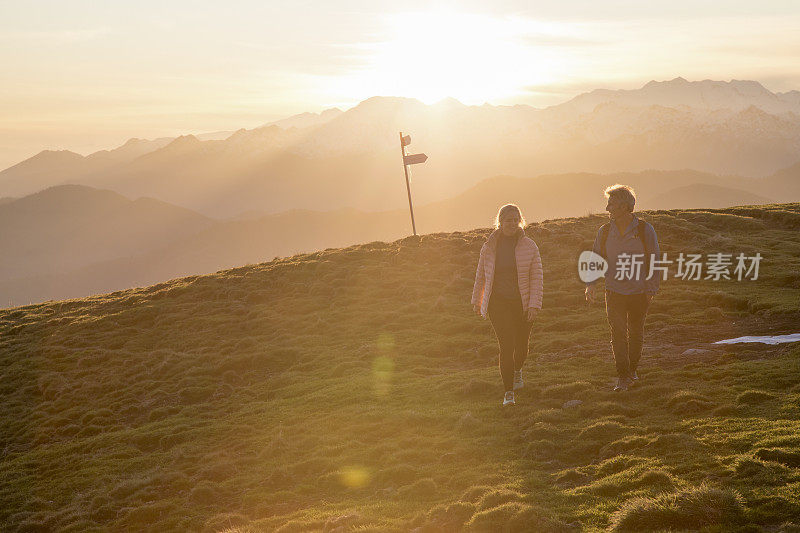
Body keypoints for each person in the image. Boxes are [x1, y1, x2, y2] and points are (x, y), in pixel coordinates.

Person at [585, 184, 660, 392]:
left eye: (612, 204)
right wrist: (591, 285)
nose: (608, 208)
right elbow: (596, 258)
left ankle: (633, 369)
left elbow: (654, 260)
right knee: (618, 333)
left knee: (636, 332)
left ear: (626, 206)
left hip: (639, 291)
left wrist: (650, 290)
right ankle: (623, 376)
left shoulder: (645, 230)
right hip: (614, 290)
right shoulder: (605, 231)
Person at [472, 204, 543, 406]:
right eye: (507, 220)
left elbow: (536, 278)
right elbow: (481, 276)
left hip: (522, 303)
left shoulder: (529, 246)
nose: (512, 223)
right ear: (500, 222)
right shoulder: (489, 246)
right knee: (507, 345)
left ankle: (518, 370)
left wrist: (533, 305)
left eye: (515, 220)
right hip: (498, 303)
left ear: (520, 221)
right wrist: (477, 300)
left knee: (521, 347)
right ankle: (508, 392)